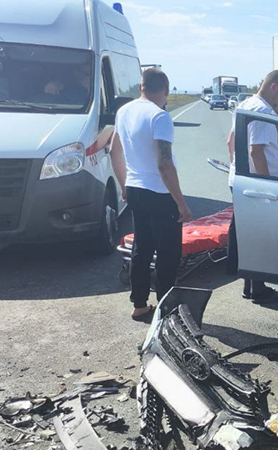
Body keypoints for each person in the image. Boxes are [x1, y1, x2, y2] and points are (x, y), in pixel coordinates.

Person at [109, 68, 191, 321]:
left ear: (140, 87)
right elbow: (164, 164)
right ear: (165, 90)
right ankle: (165, 308)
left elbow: (114, 151)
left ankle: (139, 304)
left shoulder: (124, 111)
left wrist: (124, 185)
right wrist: (181, 202)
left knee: (142, 248)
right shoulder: (159, 116)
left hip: (135, 188)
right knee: (168, 253)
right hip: (159, 192)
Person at [225, 70, 278, 304]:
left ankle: (249, 285)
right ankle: (258, 289)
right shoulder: (263, 111)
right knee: (259, 238)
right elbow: (256, 151)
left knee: (247, 235)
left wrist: (236, 168)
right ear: (274, 86)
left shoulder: (245, 105)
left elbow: (230, 142)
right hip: (256, 184)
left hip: (241, 180)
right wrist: (266, 186)